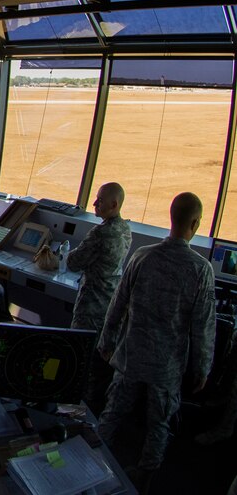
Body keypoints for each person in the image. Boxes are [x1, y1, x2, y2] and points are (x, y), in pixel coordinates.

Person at [97, 192, 216, 493]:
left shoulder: (142, 256)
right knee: (158, 425)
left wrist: (107, 342)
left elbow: (117, 304)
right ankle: (144, 478)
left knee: (112, 415)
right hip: (166, 368)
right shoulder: (200, 270)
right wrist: (202, 369)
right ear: (195, 224)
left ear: (171, 217)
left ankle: (92, 464)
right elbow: (203, 327)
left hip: (131, 357)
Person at [66, 182, 132, 412]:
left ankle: (76, 411)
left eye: (100, 201)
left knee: (80, 361)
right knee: (98, 366)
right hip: (110, 307)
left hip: (90, 308)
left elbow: (74, 262)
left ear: (114, 205)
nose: (94, 203)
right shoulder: (125, 229)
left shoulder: (100, 233)